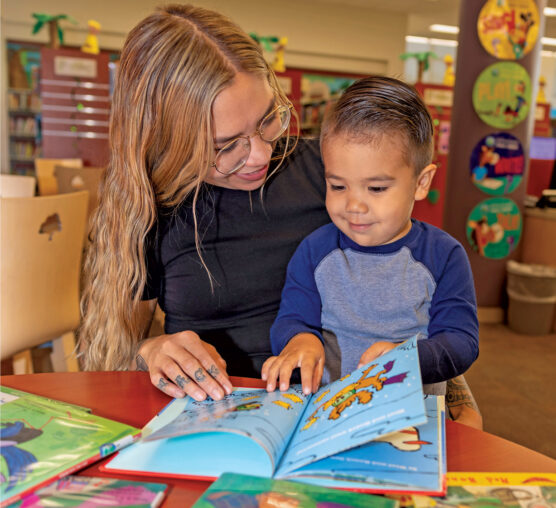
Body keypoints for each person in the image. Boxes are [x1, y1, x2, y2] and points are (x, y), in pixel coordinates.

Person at [78, 4, 481, 428]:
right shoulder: (152, 210)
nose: (260, 154)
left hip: (337, 408)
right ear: (167, 140)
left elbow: (415, 292)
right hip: (217, 417)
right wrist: (152, 350)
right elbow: (115, 353)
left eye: (269, 119)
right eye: (225, 145)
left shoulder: (332, 174)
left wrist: (457, 397)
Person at [262, 77, 479, 398]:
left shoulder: (444, 256)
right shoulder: (314, 251)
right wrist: (300, 341)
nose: (354, 205)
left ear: (422, 182)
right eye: (338, 186)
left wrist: (410, 359)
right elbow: (292, 318)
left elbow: (461, 341)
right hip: (329, 410)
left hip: (412, 416)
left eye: (376, 188)